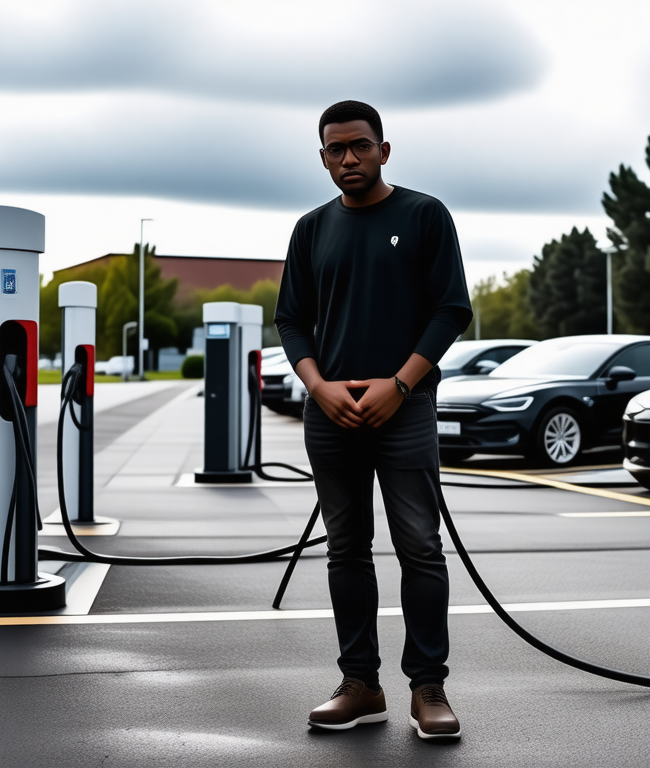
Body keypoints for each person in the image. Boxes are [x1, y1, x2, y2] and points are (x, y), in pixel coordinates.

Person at [274, 100, 472, 741]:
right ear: (323, 158)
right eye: (336, 149)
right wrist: (317, 386)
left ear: (384, 150)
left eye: (361, 145)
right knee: (346, 549)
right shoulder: (311, 229)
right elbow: (291, 320)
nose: (349, 158)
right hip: (331, 411)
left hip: (403, 408)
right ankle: (360, 683)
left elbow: (451, 309)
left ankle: (428, 687)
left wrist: (401, 383)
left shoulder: (423, 215)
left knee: (420, 547)